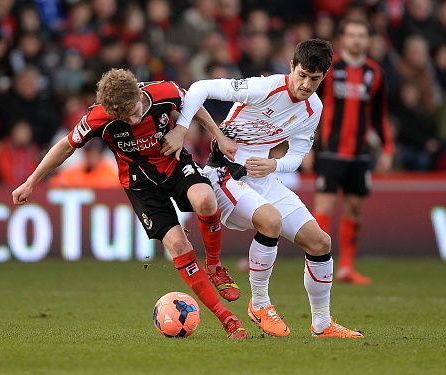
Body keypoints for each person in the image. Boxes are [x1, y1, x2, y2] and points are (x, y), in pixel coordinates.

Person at [12, 68, 246, 339]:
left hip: (174, 164)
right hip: (140, 185)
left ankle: (215, 265)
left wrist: (213, 134)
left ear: (139, 93)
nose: (133, 120)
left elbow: (194, 104)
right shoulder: (98, 117)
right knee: (178, 245)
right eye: (125, 117)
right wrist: (31, 182)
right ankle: (227, 319)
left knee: (205, 201)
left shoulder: (163, 91)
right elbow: (66, 146)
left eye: (135, 111)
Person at [162, 39, 363, 338]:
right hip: (224, 175)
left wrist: (275, 165)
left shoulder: (313, 109)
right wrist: (182, 129)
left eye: (315, 79)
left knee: (320, 242)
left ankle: (322, 325)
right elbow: (199, 88)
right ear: (292, 66)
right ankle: (259, 304)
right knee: (270, 220)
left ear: (324, 77)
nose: (306, 84)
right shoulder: (264, 87)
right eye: (303, 75)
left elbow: (296, 154)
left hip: (263, 178)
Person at [314, 18, 393, 285]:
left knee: (354, 207)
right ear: (343, 39)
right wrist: (307, 146)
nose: (357, 40)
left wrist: (387, 148)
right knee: (323, 206)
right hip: (330, 150)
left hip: (360, 153)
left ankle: (347, 266)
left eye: (362, 35)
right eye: (352, 34)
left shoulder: (375, 73)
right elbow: (312, 107)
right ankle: (317, 263)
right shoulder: (328, 69)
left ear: (367, 40)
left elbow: (380, 115)